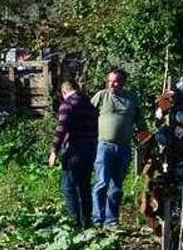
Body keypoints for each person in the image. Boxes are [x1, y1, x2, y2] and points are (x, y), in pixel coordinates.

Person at [89, 69, 147, 226]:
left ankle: (111, 220)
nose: (111, 84)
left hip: (123, 148)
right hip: (104, 146)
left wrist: (146, 144)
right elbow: (87, 115)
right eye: (109, 81)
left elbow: (141, 125)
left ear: (123, 82)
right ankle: (97, 219)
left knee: (116, 186)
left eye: (115, 81)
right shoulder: (102, 96)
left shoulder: (131, 99)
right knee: (101, 183)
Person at [49, 80, 97, 228]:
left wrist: (54, 151)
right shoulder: (90, 106)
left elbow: (61, 130)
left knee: (68, 186)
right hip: (90, 149)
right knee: (84, 187)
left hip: (74, 150)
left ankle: (74, 222)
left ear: (64, 92)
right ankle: (87, 222)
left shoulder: (67, 105)